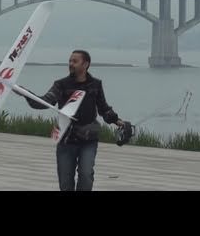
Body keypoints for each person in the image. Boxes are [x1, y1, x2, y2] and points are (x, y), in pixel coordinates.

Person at [13, 50, 124, 191]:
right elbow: (45, 102)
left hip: (88, 141)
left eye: (75, 61)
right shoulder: (61, 85)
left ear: (86, 64)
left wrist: (117, 121)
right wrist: (25, 93)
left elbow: (103, 109)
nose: (71, 64)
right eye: (70, 61)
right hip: (66, 140)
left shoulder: (95, 85)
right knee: (65, 183)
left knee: (86, 175)